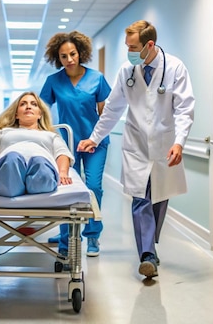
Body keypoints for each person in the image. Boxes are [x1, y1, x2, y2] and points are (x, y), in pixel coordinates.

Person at [77, 20, 195, 279]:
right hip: (136, 145)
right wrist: (95, 138)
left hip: (165, 144)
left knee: (159, 197)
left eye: (133, 47)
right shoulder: (126, 71)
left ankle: (149, 246)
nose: (128, 52)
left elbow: (185, 109)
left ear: (149, 44)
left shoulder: (174, 68)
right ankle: (147, 255)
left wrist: (180, 142)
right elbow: (113, 109)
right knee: (140, 197)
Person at [39, 31, 112, 257]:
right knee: (66, 190)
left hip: (94, 143)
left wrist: (96, 138)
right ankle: (66, 236)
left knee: (93, 187)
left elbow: (105, 114)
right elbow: (43, 111)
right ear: (57, 58)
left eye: (72, 54)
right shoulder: (53, 81)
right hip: (66, 145)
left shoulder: (97, 78)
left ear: (80, 53)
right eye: (63, 56)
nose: (69, 59)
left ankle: (92, 236)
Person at [0, 92, 74, 197]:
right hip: (10, 167)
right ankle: (14, 185)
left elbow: (62, 155)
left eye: (34, 104)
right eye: (23, 104)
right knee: (12, 158)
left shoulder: (51, 136)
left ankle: (37, 183)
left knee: (40, 161)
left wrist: (63, 172)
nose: (28, 107)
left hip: (42, 167)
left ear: (40, 114)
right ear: (16, 114)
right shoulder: (2, 132)